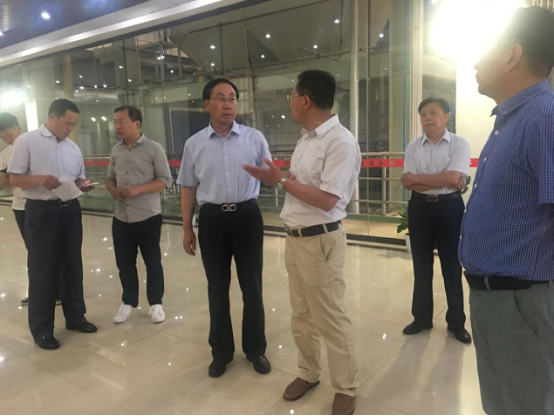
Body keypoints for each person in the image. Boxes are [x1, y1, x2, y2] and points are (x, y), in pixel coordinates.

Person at [243, 70, 361, 416]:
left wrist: (281, 181)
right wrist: (281, 179)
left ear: (306, 100)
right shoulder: (307, 139)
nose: (290, 103)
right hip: (295, 238)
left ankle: (346, 386)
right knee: (302, 315)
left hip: (320, 240)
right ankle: (308, 372)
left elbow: (327, 200)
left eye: (292, 97)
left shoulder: (340, 142)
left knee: (330, 317)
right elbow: (303, 185)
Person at [458, 6, 554, 414]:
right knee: (501, 405)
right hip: (495, 299)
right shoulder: (510, 121)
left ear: (513, 55)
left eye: (484, 51)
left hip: (521, 302)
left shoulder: (543, 119)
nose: (475, 63)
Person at [177, 78, 272, 378]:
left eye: (232, 98)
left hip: (247, 216)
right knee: (217, 288)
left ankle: (256, 350)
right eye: (220, 98)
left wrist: (275, 176)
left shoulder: (254, 138)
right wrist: (187, 228)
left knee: (252, 286)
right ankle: (221, 352)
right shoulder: (194, 144)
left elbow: (270, 176)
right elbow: (188, 187)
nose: (228, 104)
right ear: (207, 104)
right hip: (212, 219)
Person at [8, 99, 97, 350]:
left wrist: (82, 185)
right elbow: (14, 178)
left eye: (74, 125)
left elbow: (77, 179)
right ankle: (42, 329)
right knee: (43, 270)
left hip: (70, 210)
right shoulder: (27, 141)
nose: (70, 128)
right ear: (52, 117)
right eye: (67, 123)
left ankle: (75, 317)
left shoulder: (73, 148)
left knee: (73, 265)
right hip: (41, 211)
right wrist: (39, 180)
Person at [400, 97, 471, 344]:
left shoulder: (459, 143)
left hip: (450, 208)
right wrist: (444, 179)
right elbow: (407, 181)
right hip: (419, 208)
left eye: (433, 112)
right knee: (421, 266)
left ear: (446, 117)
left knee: (452, 267)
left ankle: (456, 323)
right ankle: (421, 318)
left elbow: (453, 177)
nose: (427, 117)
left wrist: (421, 179)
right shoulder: (413, 147)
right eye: (423, 114)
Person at [106, 106, 173, 324]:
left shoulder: (154, 148)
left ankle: (156, 303)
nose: (117, 126)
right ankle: (129, 303)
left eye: (122, 121)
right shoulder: (116, 150)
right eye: (115, 122)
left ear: (136, 123)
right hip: (121, 216)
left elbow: (166, 180)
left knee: (153, 262)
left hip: (147, 216)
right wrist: (112, 189)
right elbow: (110, 178)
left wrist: (137, 189)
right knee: (124, 263)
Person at [0, 113, 63, 307]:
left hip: (40, 204)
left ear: (18, 128)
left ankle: (58, 290)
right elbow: (6, 183)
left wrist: (19, 178)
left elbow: (43, 176)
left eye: (10, 135)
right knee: (34, 251)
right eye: (3, 137)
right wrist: (15, 179)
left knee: (50, 249)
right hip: (20, 207)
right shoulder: (5, 154)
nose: (7, 140)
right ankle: (40, 291)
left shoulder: (34, 145)